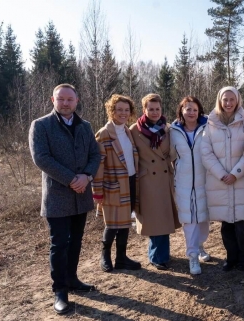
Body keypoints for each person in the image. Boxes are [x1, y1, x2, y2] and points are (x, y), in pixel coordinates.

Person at [28, 83, 100, 314]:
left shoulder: (85, 126)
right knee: (59, 244)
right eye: (61, 99)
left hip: (81, 195)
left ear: (76, 101)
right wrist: (72, 179)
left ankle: (72, 279)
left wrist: (87, 176)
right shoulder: (41, 125)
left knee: (76, 240)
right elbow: (41, 158)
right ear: (53, 100)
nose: (66, 103)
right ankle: (60, 291)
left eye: (70, 99)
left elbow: (95, 154)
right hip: (58, 196)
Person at [201, 86, 244, 272]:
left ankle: (243, 258)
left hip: (240, 180)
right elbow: (206, 152)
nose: (228, 103)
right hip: (220, 181)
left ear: (238, 100)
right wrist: (221, 173)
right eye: (225, 99)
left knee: (240, 223)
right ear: (219, 100)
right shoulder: (210, 123)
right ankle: (230, 257)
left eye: (232, 99)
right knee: (226, 224)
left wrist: (236, 173)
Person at [130, 93, 180, 270]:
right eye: (150, 109)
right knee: (155, 219)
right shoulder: (134, 130)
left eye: (157, 109)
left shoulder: (168, 129)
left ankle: (161, 255)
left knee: (164, 218)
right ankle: (157, 256)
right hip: (147, 180)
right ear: (144, 110)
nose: (154, 112)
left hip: (165, 177)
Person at [92, 94, 141, 273]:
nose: (123, 113)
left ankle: (121, 257)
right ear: (111, 111)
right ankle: (104, 256)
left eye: (126, 110)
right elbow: (98, 165)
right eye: (119, 109)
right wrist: (97, 191)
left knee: (125, 222)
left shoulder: (127, 131)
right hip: (112, 184)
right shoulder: (104, 134)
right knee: (112, 224)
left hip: (130, 181)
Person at [169, 96, 211, 275]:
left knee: (203, 218)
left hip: (205, 180)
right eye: (187, 109)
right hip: (183, 182)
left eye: (194, 109)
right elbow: (170, 154)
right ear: (181, 111)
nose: (191, 112)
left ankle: (200, 245)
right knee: (189, 219)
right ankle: (192, 255)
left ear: (199, 111)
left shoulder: (208, 127)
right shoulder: (173, 131)